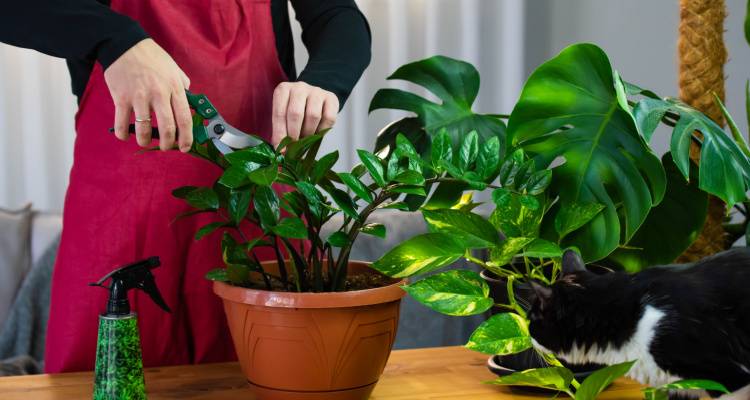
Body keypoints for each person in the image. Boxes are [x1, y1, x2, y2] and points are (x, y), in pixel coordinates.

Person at [0, 0, 371, 373]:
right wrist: (115, 39)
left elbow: (337, 15)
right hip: (122, 221)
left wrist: (324, 80)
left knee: (277, 375)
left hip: (260, 215)